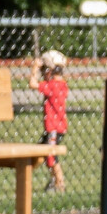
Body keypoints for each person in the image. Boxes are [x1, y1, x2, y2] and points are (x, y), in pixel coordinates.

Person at [31, 50, 69, 192]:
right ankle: (54, 180)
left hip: (53, 128)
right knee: (43, 152)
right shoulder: (63, 85)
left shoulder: (52, 85)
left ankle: (59, 183)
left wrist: (34, 68)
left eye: (45, 70)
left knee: (51, 156)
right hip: (58, 127)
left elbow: (32, 84)